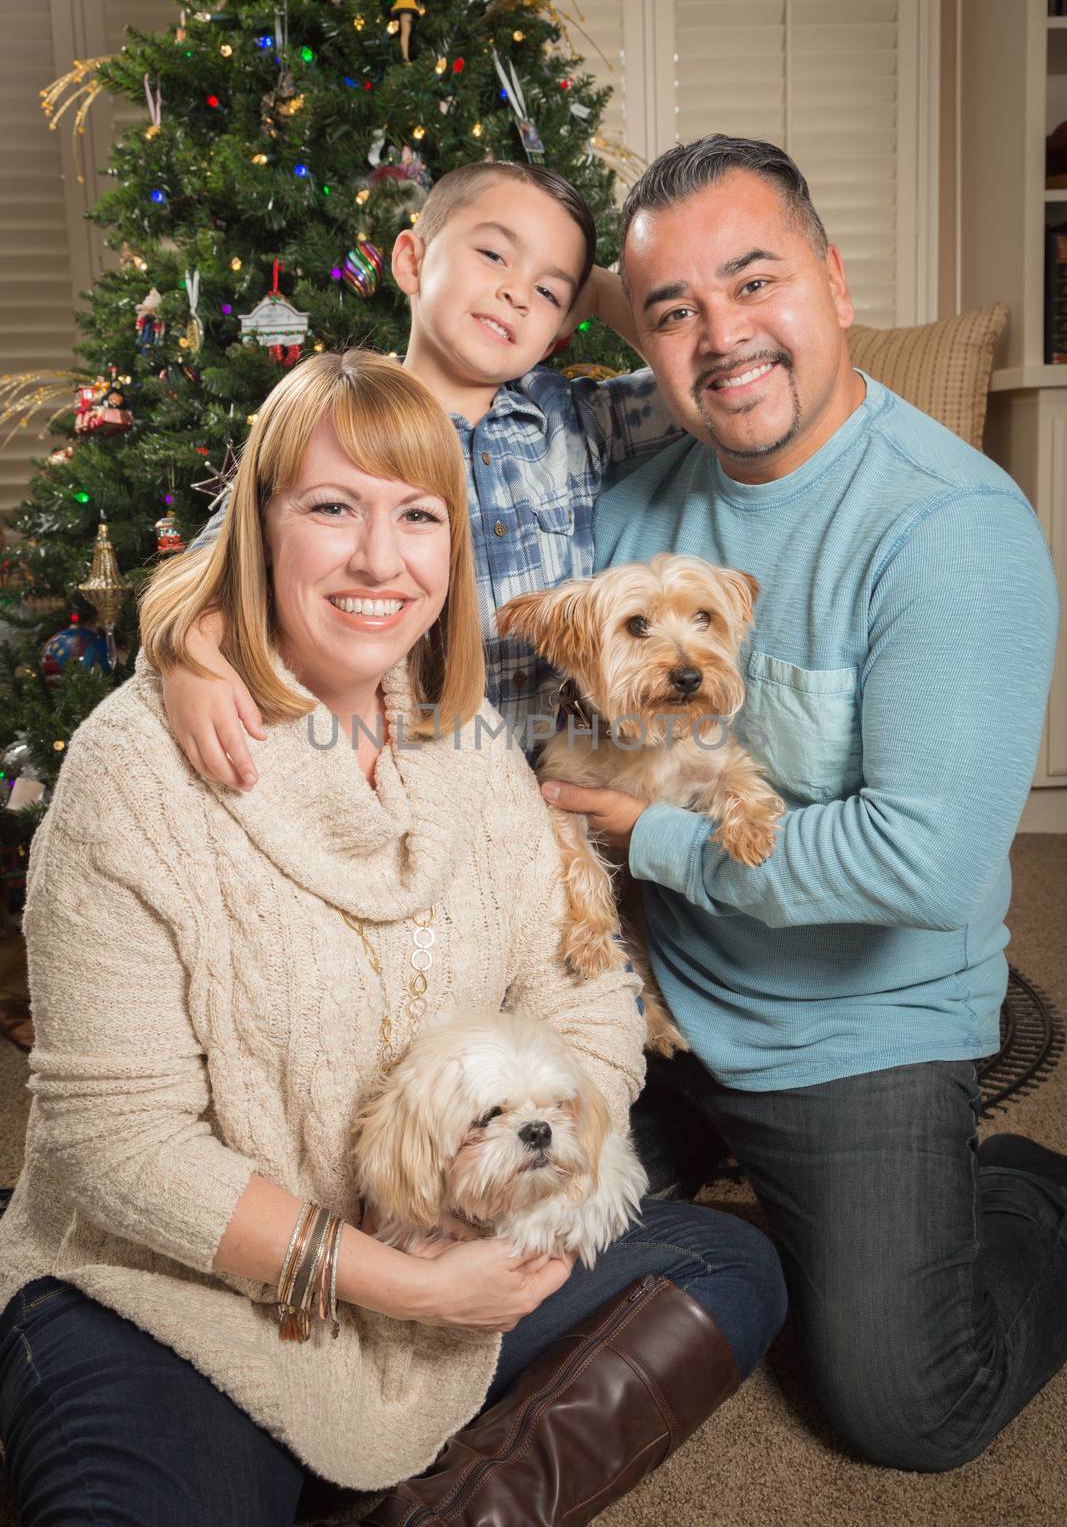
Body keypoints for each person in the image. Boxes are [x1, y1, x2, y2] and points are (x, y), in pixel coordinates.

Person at [0, 350, 786, 1527]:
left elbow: (582, 995)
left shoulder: (464, 747)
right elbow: (117, 1145)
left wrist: (512, 1207)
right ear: (258, 529)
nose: (379, 558)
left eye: (418, 515)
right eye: (331, 507)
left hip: (466, 1225)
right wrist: (397, 1281)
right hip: (177, 1292)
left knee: (730, 1264)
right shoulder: (132, 774)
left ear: (452, 548)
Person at [537, 134, 1066, 1474]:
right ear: (646, 345)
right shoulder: (631, 503)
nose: (720, 337)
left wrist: (634, 833)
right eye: (673, 311)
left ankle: (1025, 1193)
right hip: (658, 993)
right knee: (498, 1238)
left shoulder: (949, 529)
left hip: (858, 1018)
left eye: (752, 281)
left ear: (830, 284)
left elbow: (923, 867)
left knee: (904, 1402)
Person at [164, 160, 679, 784]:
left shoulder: (576, 419)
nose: (518, 292)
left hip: (557, 788)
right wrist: (192, 664)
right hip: (419, 782)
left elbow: (697, 381)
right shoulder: (345, 420)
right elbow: (206, 569)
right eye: (494, 254)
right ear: (410, 261)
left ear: (558, 332)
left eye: (547, 291)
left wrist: (596, 289)